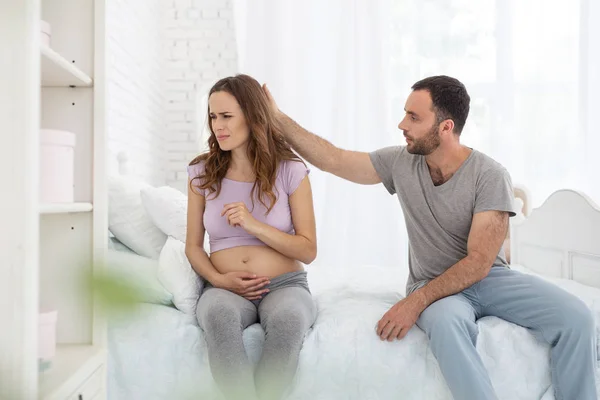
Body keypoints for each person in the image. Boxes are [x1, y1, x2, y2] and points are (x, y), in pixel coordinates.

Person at [261, 75, 597, 400]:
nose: (401, 124)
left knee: (577, 318)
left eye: (413, 117)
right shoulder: (400, 162)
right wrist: (277, 118)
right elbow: (333, 159)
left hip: (488, 279)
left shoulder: (490, 175)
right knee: (448, 326)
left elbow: (480, 262)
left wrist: (413, 303)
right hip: (434, 286)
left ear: (445, 127)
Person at [185, 74, 318, 400]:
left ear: (252, 116)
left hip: (285, 284)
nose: (218, 126)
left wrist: (253, 224)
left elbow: (309, 249)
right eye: (213, 117)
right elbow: (192, 246)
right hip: (225, 287)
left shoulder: (290, 170)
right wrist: (219, 280)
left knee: (288, 323)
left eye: (227, 116)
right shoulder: (201, 173)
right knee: (217, 316)